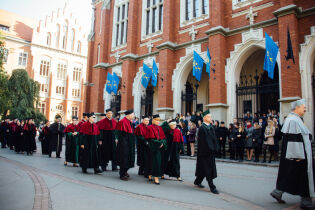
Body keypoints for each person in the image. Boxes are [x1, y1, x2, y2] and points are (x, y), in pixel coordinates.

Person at [270, 99, 315, 210]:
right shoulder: (293, 120)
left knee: (289, 174)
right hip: (298, 155)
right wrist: (297, 156)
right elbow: (293, 139)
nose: (305, 108)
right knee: (303, 177)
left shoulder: (296, 119)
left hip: (296, 154)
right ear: (296, 107)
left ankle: (278, 192)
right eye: (303, 106)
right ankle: (306, 200)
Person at [194, 110, 219, 194]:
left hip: (211, 151)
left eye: (211, 116)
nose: (211, 118)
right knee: (207, 169)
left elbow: (214, 139)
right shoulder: (202, 128)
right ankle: (212, 186)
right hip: (204, 152)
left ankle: (197, 181)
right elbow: (202, 142)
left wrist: (215, 148)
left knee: (203, 168)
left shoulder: (211, 127)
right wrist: (207, 150)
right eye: (209, 117)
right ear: (204, 118)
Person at [145, 114, 167, 185]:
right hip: (152, 147)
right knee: (152, 161)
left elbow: (164, 138)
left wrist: (162, 143)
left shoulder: (160, 128)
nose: (158, 122)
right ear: (153, 120)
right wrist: (159, 143)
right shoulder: (149, 127)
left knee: (158, 162)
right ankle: (152, 175)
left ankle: (155, 175)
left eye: (159, 120)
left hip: (159, 148)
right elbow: (150, 139)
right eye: (157, 120)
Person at [115, 110, 136, 181]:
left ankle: (125, 171)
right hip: (124, 143)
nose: (133, 116)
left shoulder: (130, 122)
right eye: (132, 115)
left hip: (129, 142)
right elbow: (120, 133)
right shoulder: (122, 122)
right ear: (128, 115)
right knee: (124, 158)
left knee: (129, 157)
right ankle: (122, 174)